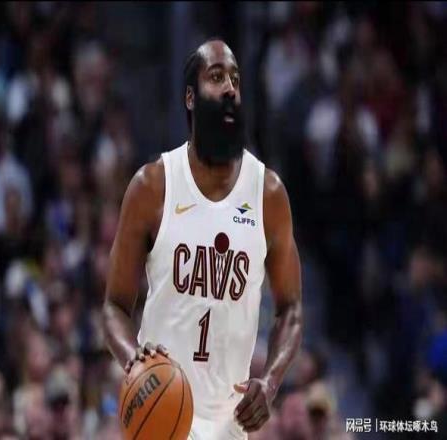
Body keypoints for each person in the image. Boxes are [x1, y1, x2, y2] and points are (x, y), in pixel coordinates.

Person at [102, 38, 302, 439]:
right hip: (160, 419)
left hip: (230, 426)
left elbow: (291, 308)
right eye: (216, 77)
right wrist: (135, 362)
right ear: (190, 97)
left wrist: (271, 380)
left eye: (236, 80)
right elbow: (113, 307)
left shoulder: (268, 194)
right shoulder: (153, 186)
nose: (230, 88)